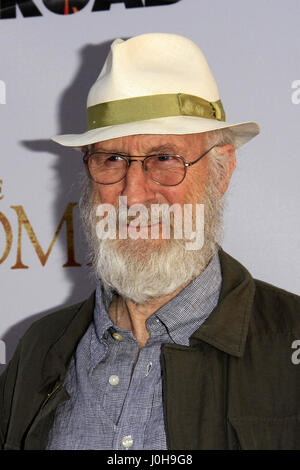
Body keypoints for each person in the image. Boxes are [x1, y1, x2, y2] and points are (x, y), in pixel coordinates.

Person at [1, 33, 299, 451]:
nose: (133, 195)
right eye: (112, 159)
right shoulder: (40, 347)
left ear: (222, 170)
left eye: (164, 158)